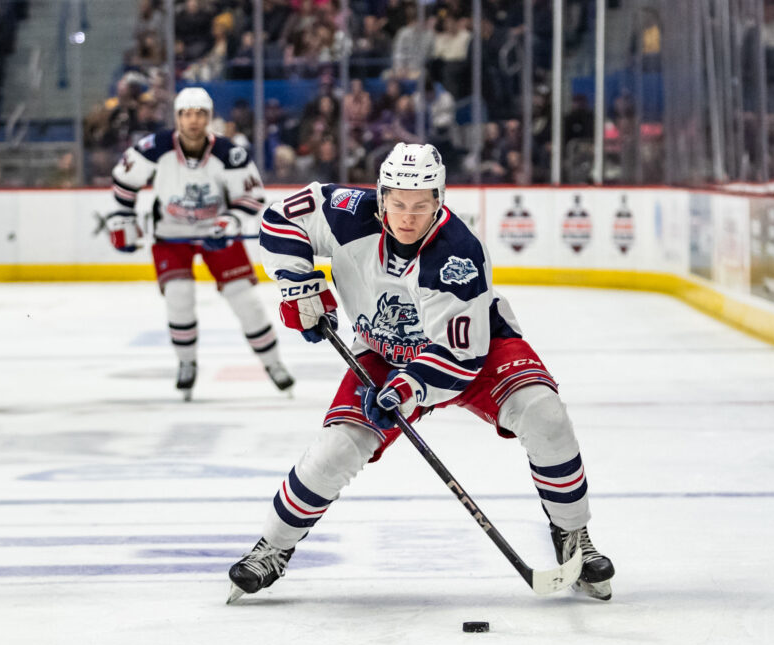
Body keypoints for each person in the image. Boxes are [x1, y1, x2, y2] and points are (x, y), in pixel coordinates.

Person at [227, 142, 614, 600]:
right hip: (381, 349)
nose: (407, 216)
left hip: (475, 350)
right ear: (381, 196)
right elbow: (278, 219)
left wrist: (407, 389)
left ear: (439, 200)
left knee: (543, 414)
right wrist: (301, 287)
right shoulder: (347, 213)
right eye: (397, 203)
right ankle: (273, 548)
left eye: (420, 205)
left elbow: (459, 358)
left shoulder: (458, 256)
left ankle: (573, 535)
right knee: (337, 449)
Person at [106, 87, 294, 400]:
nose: (193, 121)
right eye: (186, 114)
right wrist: (122, 219)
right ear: (177, 117)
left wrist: (228, 222)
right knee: (178, 297)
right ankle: (186, 364)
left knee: (245, 300)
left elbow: (251, 196)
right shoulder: (154, 147)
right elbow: (124, 180)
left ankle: (274, 364)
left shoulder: (229, 152)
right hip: (170, 233)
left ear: (209, 118)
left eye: (200, 114)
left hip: (216, 233)